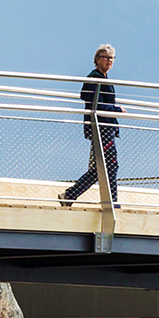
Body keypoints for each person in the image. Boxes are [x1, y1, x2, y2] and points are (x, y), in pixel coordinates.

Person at [61, 44, 124, 203]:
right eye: (105, 57)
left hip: (104, 127)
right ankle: (111, 202)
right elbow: (94, 103)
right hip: (101, 128)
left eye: (111, 58)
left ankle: (70, 195)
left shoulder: (102, 78)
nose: (109, 60)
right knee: (109, 166)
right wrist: (116, 109)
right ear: (97, 60)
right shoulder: (95, 77)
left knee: (103, 168)